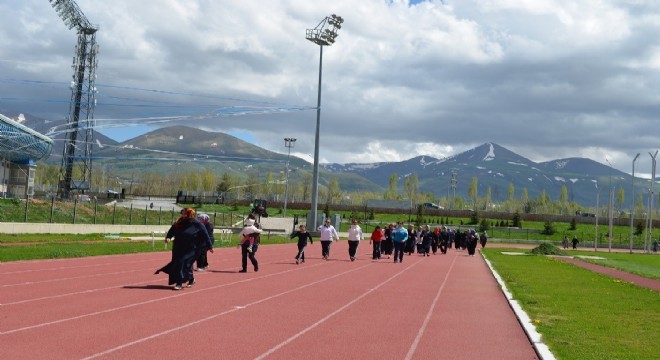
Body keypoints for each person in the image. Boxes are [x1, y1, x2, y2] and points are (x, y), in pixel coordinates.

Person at [155, 208, 213, 290]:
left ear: (190, 214)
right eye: (182, 213)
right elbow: (172, 230)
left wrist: (210, 246)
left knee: (182, 263)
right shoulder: (179, 222)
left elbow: (206, 235)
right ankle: (191, 279)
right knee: (181, 264)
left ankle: (179, 283)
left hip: (192, 248)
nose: (183, 215)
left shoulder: (197, 224)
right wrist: (168, 237)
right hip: (178, 247)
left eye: (185, 213)